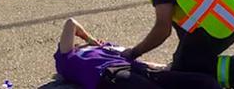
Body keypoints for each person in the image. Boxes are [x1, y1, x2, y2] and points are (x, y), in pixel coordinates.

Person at [54, 18, 221, 89]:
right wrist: (89, 40)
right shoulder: (67, 59)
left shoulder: (106, 48)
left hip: (134, 69)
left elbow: (136, 60)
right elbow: (71, 23)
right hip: (109, 76)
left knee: (204, 83)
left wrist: (163, 67)